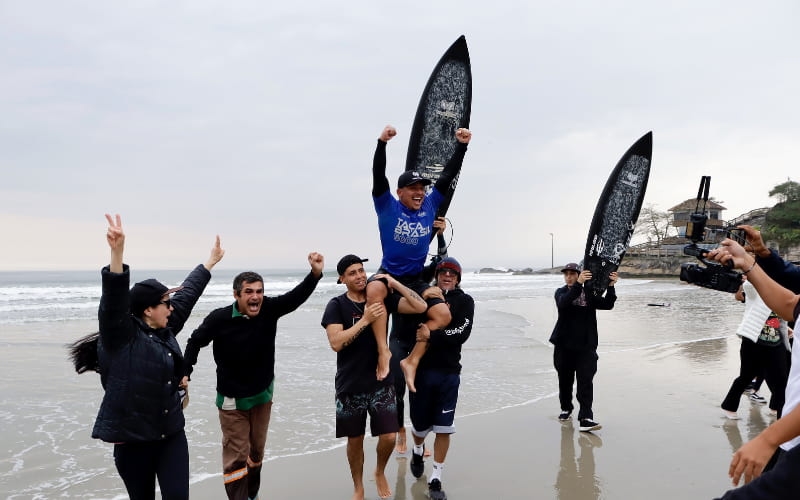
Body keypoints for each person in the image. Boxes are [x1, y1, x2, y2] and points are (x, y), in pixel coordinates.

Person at [71, 213, 224, 500]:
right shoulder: (120, 337)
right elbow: (114, 300)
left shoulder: (164, 327)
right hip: (133, 441)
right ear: (147, 310)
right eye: (165, 304)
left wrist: (209, 263)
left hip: (171, 435)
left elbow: (187, 294)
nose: (171, 308)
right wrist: (117, 253)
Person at [182, 252, 324, 500]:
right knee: (236, 457)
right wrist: (185, 371)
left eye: (259, 291)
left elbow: (296, 297)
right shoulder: (220, 318)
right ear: (236, 295)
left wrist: (315, 274)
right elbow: (195, 341)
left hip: (262, 395)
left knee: (256, 453)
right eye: (249, 292)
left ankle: (252, 494)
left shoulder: (269, 309)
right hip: (232, 400)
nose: (255, 296)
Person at [367, 125, 472, 381]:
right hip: (389, 275)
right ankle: (383, 351)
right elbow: (378, 175)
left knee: (443, 314)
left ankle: (412, 361)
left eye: (422, 188)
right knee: (374, 289)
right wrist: (382, 143)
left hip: (415, 279)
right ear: (399, 192)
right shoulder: (386, 206)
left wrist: (462, 146)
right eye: (413, 188)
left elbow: (447, 176)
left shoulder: (430, 205)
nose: (419, 192)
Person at [321, 254, 427, 500]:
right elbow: (336, 343)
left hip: (382, 379)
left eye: (361, 271)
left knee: (389, 436)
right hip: (350, 383)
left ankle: (379, 471)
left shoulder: (382, 298)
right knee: (355, 440)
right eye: (352, 273)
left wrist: (393, 281)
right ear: (341, 279)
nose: (359, 276)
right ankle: (358, 486)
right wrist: (365, 320)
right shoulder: (336, 305)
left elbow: (420, 306)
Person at [707, 237, 800, 498]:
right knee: (749, 375)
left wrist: (769, 438)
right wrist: (748, 262)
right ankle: (731, 405)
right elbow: (791, 304)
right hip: (755, 339)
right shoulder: (758, 287)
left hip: (788, 441)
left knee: (774, 379)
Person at [407, 256, 474, 500]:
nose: (448, 276)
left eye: (453, 274)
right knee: (420, 427)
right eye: (444, 272)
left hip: (449, 373)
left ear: (458, 279)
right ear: (437, 274)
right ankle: (417, 449)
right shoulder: (425, 297)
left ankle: (436, 478)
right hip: (422, 371)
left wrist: (431, 335)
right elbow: (411, 327)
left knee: (444, 428)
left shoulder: (465, 301)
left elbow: (461, 332)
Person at [390, 217, 448, 454]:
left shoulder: (423, 277)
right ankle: (400, 432)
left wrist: (439, 234)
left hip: (417, 342)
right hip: (397, 341)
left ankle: (417, 434)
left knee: (417, 391)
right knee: (397, 390)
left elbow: (442, 260)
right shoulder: (393, 278)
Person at [549, 263, 618, 432]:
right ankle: (566, 408)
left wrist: (611, 286)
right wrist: (578, 284)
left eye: (573, 274)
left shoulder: (589, 293)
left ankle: (586, 417)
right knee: (565, 381)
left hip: (586, 346)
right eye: (567, 274)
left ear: (580, 274)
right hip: (564, 345)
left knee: (585, 381)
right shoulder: (561, 292)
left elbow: (608, 304)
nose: (569, 277)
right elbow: (564, 304)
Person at [721, 278, 789, 420]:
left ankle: (776, 408)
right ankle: (729, 406)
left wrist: (784, 328)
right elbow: (746, 289)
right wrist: (751, 276)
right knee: (746, 376)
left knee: (782, 378)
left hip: (775, 340)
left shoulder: (781, 292)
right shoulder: (754, 290)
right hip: (753, 339)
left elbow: (781, 315)